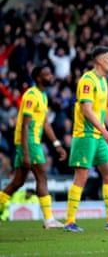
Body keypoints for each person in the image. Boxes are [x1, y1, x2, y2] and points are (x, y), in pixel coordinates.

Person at [64, 46, 108, 232]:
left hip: (98, 135)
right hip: (86, 135)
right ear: (100, 61)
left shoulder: (103, 82)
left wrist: (104, 128)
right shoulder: (88, 80)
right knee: (81, 177)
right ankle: (70, 221)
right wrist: (104, 130)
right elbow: (86, 110)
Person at [0, 65, 66, 229]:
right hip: (28, 141)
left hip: (31, 141)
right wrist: (26, 153)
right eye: (47, 74)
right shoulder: (31, 95)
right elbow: (24, 125)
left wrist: (57, 144)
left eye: (51, 73)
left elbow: (45, 123)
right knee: (42, 177)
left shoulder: (42, 96)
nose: (51, 76)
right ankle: (49, 220)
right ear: (38, 78)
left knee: (17, 182)